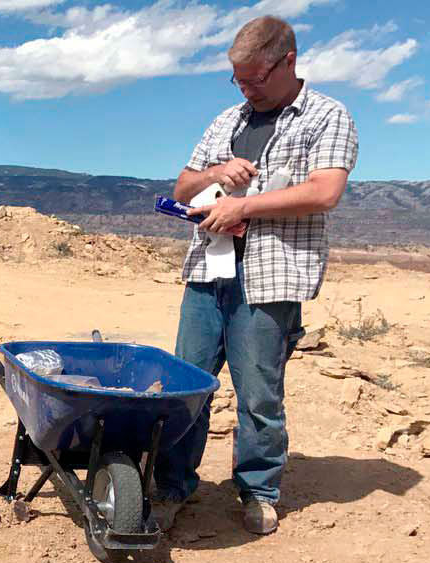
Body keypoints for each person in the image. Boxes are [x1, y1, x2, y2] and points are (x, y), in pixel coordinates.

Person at [155, 16, 358, 536]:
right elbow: (182, 186)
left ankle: (258, 491)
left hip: (270, 279)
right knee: (185, 387)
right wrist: (213, 176)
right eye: (238, 80)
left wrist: (247, 206)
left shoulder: (327, 117)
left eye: (255, 78)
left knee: (259, 395)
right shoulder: (226, 121)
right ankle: (172, 485)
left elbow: (323, 192)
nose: (246, 88)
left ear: (287, 60)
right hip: (208, 271)